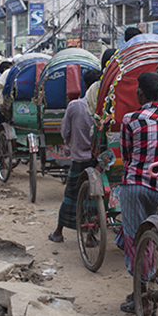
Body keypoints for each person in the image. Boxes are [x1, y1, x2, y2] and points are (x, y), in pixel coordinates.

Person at [118, 72, 158, 313]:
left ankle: (143, 297)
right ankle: (143, 286)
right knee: (149, 236)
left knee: (133, 238)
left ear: (140, 92)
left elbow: (126, 154)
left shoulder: (131, 119)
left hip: (135, 185)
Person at [48, 68, 103, 243]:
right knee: (94, 197)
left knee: (71, 196)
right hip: (97, 160)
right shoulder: (104, 107)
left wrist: (70, 142)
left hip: (79, 159)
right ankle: (91, 235)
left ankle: (58, 232)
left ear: (85, 85)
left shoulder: (75, 105)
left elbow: (65, 131)